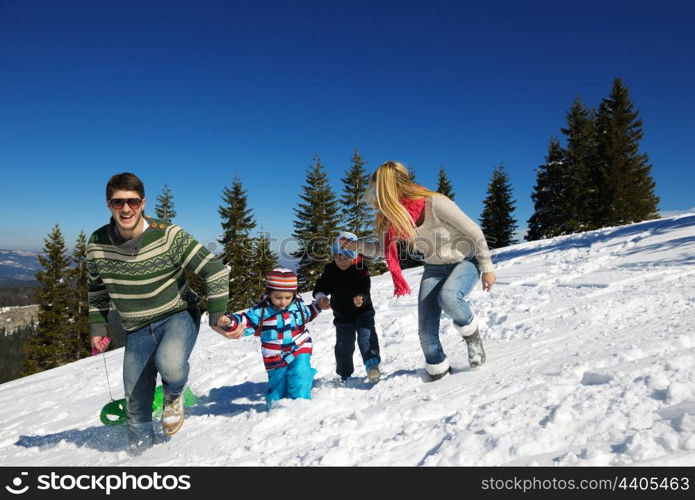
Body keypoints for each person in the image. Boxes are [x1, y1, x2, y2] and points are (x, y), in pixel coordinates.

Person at [87, 172, 230, 455]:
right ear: (108, 204)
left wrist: (217, 317)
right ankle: (142, 458)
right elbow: (96, 289)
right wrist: (98, 329)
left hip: (177, 314)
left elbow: (213, 269)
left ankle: (173, 397)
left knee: (171, 363)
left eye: (133, 201)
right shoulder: (97, 243)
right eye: (118, 202)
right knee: (136, 401)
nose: (126, 209)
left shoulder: (168, 234)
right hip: (136, 328)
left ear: (143, 203)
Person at [340, 161, 496, 380]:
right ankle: (438, 372)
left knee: (449, 296)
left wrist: (487, 268)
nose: (377, 195)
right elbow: (382, 251)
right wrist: (355, 246)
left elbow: (475, 232)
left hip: (465, 261)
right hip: (434, 268)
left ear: (389, 187)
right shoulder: (395, 217)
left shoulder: (435, 203)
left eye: (379, 189)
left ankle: (472, 336)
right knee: (426, 329)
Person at [217, 268, 327, 408]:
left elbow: (309, 312)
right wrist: (230, 322)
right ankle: (277, 406)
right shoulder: (261, 311)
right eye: (278, 297)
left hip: (299, 346)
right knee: (278, 383)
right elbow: (245, 321)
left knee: (301, 372)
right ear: (269, 294)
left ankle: (301, 403)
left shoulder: (298, 306)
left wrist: (319, 306)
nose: (283, 302)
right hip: (274, 353)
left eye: (287, 297)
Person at [313, 232, 381, 384]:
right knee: (343, 346)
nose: (342, 261)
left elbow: (364, 286)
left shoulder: (360, 268)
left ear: (354, 256)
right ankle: (344, 375)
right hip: (342, 315)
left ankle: (372, 366)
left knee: (366, 339)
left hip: (363, 312)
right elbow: (322, 285)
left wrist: (360, 298)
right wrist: (321, 297)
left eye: (346, 257)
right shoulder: (330, 269)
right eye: (338, 257)